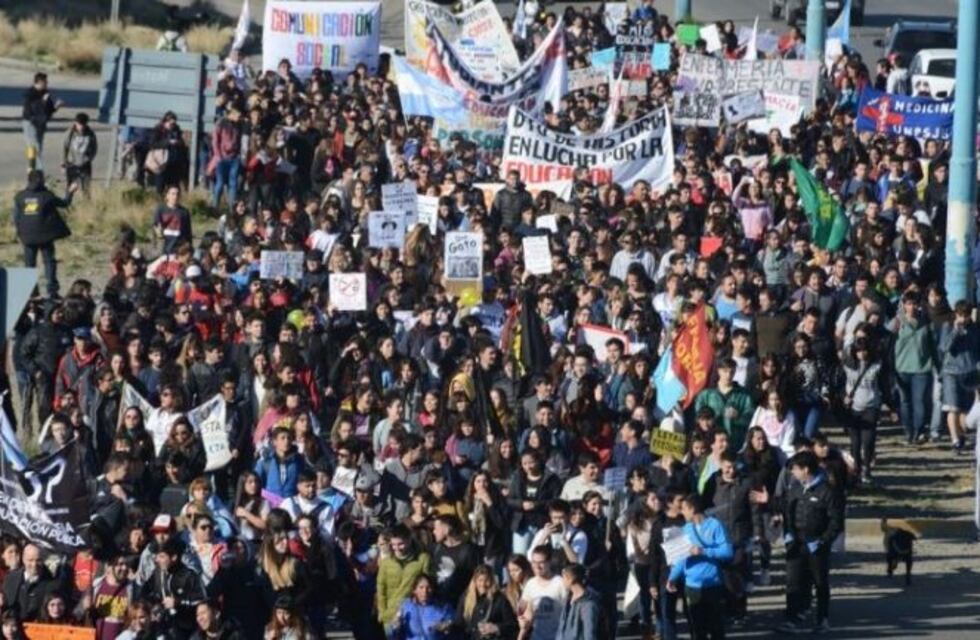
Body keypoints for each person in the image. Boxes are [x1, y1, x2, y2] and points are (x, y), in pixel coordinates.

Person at [778, 452, 844, 634]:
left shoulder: (826, 491)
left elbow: (836, 522)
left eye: (796, 469)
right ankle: (792, 618)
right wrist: (788, 533)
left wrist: (823, 541)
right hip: (796, 544)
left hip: (817, 546)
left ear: (806, 469)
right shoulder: (796, 489)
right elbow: (787, 512)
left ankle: (822, 619)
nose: (793, 473)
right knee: (793, 582)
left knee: (820, 582)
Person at [666, 495, 731, 640]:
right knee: (697, 631)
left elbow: (727, 552)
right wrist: (672, 578)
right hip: (692, 587)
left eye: (684, 509)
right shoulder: (684, 530)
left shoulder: (715, 525)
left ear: (692, 509)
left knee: (717, 629)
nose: (681, 512)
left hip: (713, 584)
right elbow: (680, 559)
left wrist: (703, 551)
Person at [13, 170, 77, 297]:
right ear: (41, 181)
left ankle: (31, 292)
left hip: (27, 237)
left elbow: (16, 217)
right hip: (45, 236)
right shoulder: (47, 196)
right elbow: (65, 203)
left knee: (29, 265)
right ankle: (52, 291)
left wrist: (20, 232)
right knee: (49, 262)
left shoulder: (19, 196)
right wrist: (71, 191)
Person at [517, 546, 567, 640]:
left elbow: (569, 612)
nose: (537, 566)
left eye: (541, 563)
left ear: (549, 562)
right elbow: (523, 609)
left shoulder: (560, 583)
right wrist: (521, 619)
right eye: (534, 562)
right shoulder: (530, 584)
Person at [457, 565, 518, 640]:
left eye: (486, 580)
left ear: (492, 581)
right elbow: (459, 622)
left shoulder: (499, 599)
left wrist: (496, 627)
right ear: (475, 581)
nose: (483, 584)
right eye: (480, 580)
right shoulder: (466, 598)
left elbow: (513, 625)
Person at [392, 574, 454, 640]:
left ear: (433, 589)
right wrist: (395, 626)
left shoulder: (443, 607)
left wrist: (447, 627)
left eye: (428, 587)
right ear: (414, 590)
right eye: (421, 587)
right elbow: (395, 634)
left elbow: (452, 627)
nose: (425, 591)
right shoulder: (405, 607)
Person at [22, 72, 62, 171]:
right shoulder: (30, 94)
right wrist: (42, 102)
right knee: (35, 147)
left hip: (42, 124)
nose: (47, 84)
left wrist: (56, 107)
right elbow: (29, 112)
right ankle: (38, 170)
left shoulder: (45, 93)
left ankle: (32, 167)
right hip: (31, 124)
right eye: (45, 82)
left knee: (38, 146)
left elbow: (48, 110)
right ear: (39, 82)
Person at [555, 564, 600, 640]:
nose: (562, 581)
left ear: (571, 579)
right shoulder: (568, 599)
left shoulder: (588, 604)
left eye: (564, 577)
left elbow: (589, 633)